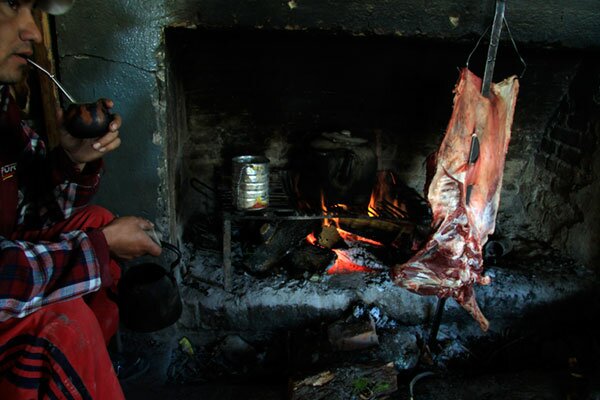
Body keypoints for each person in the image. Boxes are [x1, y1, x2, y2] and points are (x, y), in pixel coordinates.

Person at [0, 1, 162, 398]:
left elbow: (26, 213)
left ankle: (94, 369)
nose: (34, 31)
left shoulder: (3, 105)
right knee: (64, 325)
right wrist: (100, 246)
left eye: (34, 10)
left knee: (97, 220)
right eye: (10, 4)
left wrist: (72, 159)